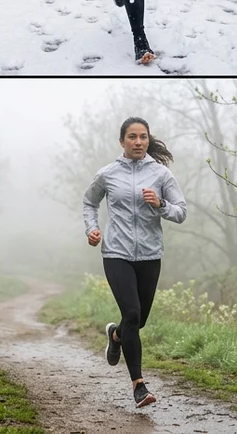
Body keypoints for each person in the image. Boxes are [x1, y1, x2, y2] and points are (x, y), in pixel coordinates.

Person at [82, 117, 187, 408]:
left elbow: (181, 212)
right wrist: (91, 229)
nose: (138, 142)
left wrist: (161, 205)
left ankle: (115, 335)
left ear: (148, 140)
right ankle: (139, 386)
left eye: (143, 137)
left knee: (137, 321)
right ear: (122, 141)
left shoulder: (161, 175)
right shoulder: (107, 174)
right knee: (131, 312)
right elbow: (89, 202)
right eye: (132, 137)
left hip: (150, 256)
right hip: (116, 253)